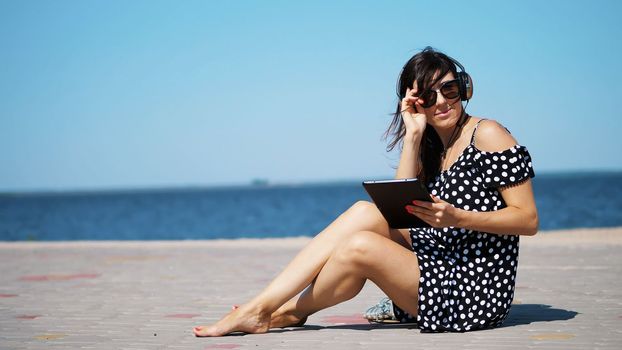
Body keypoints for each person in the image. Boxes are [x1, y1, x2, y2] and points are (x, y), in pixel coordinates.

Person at [193, 47, 538, 336]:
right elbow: (403, 211)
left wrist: (458, 218)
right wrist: (414, 135)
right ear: (416, 103)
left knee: (360, 247)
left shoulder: (487, 134)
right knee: (363, 212)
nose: (443, 103)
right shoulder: (433, 145)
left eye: (450, 90)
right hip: (437, 264)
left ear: (465, 88)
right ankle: (273, 310)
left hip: (471, 293)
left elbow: (527, 219)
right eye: (429, 96)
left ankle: (268, 311)